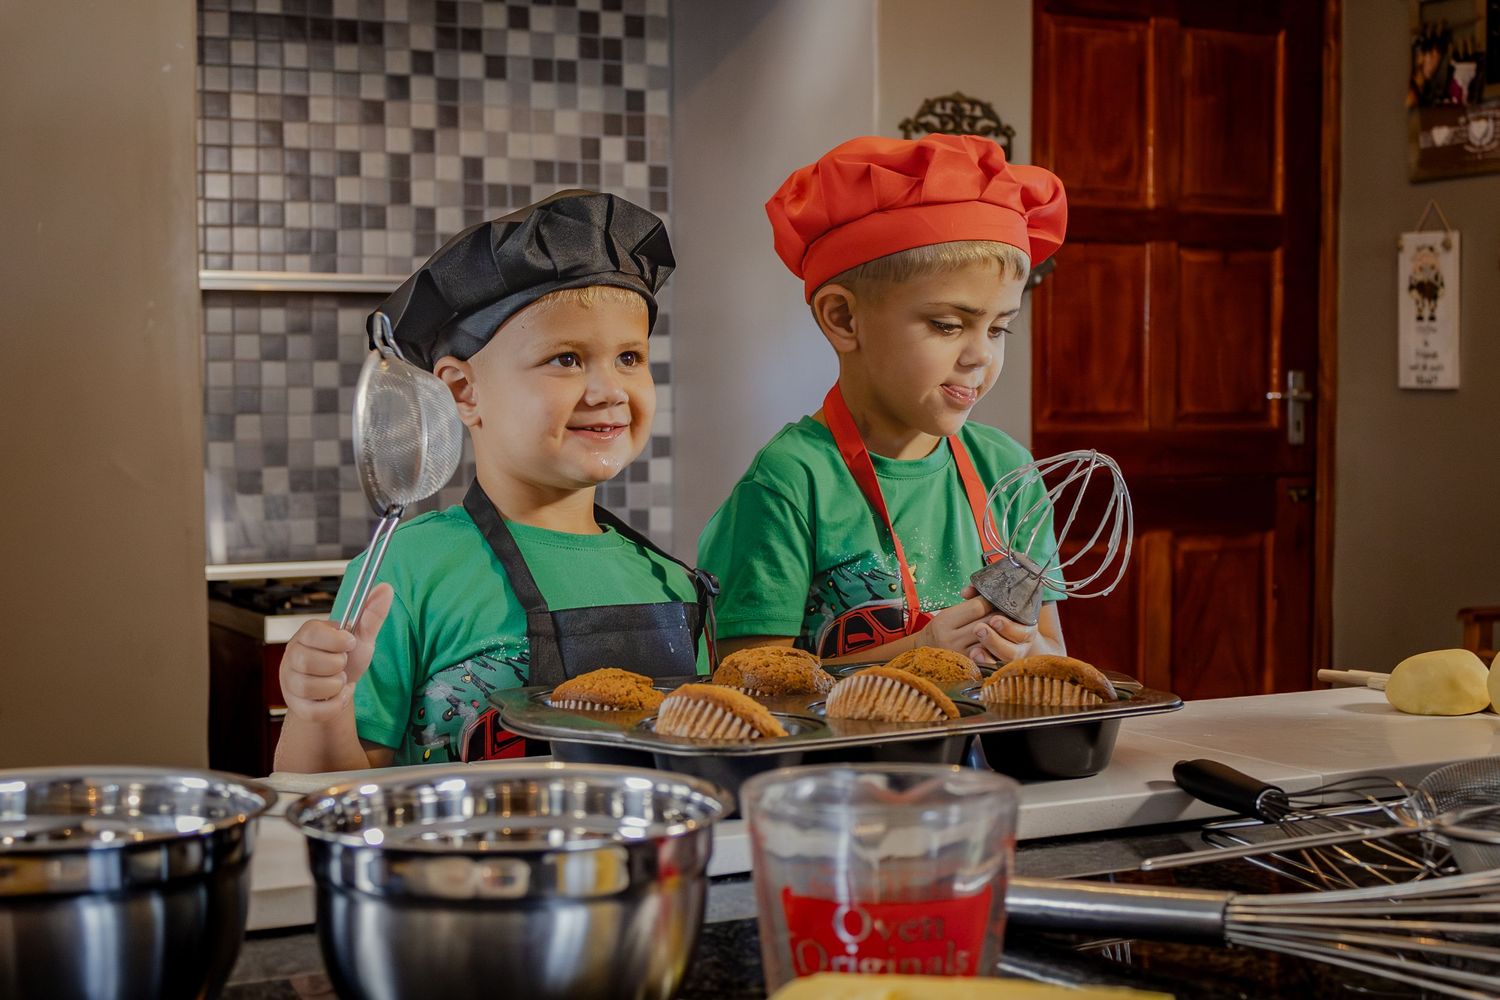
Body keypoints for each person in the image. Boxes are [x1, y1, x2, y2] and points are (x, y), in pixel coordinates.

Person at [274, 191, 714, 772]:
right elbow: (329, 798)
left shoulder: (673, 583)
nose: (609, 390)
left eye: (629, 358)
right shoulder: (405, 572)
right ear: (463, 391)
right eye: (567, 358)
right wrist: (320, 711)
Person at [698, 134, 1069, 666]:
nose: (980, 357)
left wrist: (1026, 649)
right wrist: (919, 652)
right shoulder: (790, 484)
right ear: (843, 319)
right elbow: (749, 686)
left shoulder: (1008, 472)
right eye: (947, 325)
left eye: (999, 329)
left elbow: (1054, 654)